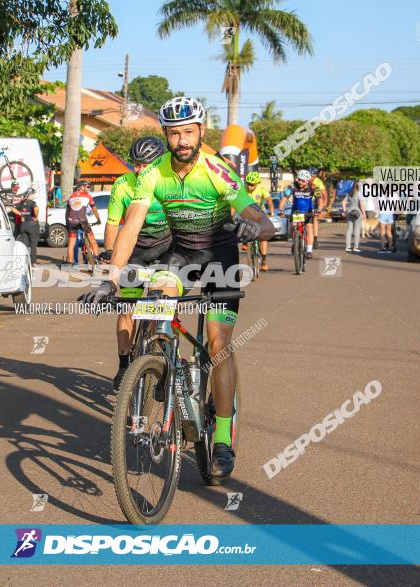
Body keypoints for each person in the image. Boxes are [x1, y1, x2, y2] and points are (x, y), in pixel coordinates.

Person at [81, 96, 275, 479]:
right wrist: (110, 278)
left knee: (218, 344)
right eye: (174, 133)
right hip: (179, 257)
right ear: (166, 135)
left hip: (221, 259)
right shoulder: (153, 173)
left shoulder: (216, 169)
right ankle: (159, 366)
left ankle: (221, 438)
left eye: (189, 132)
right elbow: (131, 225)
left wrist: (257, 228)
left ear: (201, 131)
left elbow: (258, 216)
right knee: (156, 307)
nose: (182, 140)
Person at [102, 136, 171, 388]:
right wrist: (109, 252)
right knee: (127, 307)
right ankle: (123, 363)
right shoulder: (123, 184)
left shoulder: (169, 184)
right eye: (135, 164)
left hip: (165, 250)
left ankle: (156, 356)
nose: (139, 169)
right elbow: (112, 224)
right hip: (135, 250)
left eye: (145, 165)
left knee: (158, 305)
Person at [279, 169, 319, 259]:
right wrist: (280, 210)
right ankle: (295, 242)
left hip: (308, 211)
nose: (300, 182)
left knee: (309, 228)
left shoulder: (312, 187)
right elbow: (284, 199)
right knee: (292, 227)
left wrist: (319, 209)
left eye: (303, 180)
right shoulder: (292, 187)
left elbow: (319, 199)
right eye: (299, 179)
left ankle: (309, 250)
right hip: (296, 211)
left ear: (307, 181)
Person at [244, 171, 275, 270]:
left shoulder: (262, 190)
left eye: (252, 185)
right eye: (248, 184)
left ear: (257, 183)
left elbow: (269, 200)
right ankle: (246, 243)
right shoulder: (243, 190)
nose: (249, 187)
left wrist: (272, 211)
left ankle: (264, 261)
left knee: (263, 238)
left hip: (260, 215)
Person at [65, 180, 100, 264]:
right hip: (82, 221)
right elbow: (94, 209)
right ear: (82, 187)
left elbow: (67, 211)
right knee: (93, 241)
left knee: (71, 243)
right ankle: (97, 261)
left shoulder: (71, 196)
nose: (89, 188)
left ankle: (69, 263)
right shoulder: (87, 196)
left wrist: (68, 222)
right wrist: (98, 219)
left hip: (70, 222)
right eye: (88, 187)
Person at [7, 193, 40, 266]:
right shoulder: (32, 202)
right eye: (33, 194)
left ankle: (24, 261)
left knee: (25, 245)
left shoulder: (21, 203)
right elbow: (35, 209)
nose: (34, 196)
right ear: (30, 195)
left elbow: (12, 209)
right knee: (33, 245)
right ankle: (33, 262)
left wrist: (21, 214)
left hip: (23, 225)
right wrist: (36, 216)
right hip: (32, 225)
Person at [343, 180, 365, 252]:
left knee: (349, 230)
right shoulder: (359, 193)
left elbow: (343, 202)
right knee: (357, 230)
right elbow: (361, 205)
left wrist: (345, 210)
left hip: (349, 212)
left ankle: (347, 247)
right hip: (358, 213)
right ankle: (356, 247)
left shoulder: (349, 193)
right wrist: (364, 214)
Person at [309, 167, 327, 249]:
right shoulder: (304, 179)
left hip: (315, 202)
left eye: (313, 175)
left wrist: (323, 206)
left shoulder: (318, 182)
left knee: (314, 220)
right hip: (305, 201)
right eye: (310, 174)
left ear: (315, 176)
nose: (311, 177)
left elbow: (324, 195)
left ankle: (315, 239)